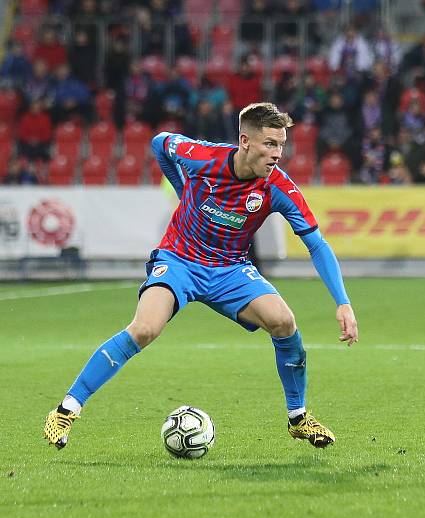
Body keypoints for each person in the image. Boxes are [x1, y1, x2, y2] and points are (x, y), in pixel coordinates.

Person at [44, 102, 359, 451]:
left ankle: (298, 418)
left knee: (284, 322)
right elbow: (160, 143)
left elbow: (317, 243)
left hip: (230, 269)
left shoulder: (278, 187)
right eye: (270, 143)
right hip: (180, 259)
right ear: (245, 141)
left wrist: (342, 303)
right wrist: (183, 191)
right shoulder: (203, 158)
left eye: (281, 144)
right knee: (145, 328)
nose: (277, 154)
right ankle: (65, 410)